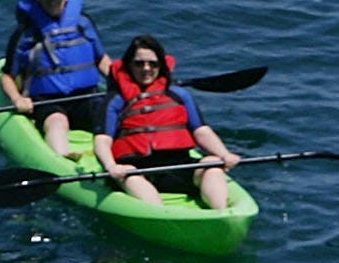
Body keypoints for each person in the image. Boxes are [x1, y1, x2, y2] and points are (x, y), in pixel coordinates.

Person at [96, 36, 242, 211]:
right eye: (139, 63)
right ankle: (161, 214)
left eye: (153, 64)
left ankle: (222, 213)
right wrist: (111, 166)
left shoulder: (179, 95)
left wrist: (225, 155)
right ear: (129, 65)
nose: (146, 68)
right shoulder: (116, 100)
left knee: (213, 163)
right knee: (130, 175)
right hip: (137, 169)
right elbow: (103, 139)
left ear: (161, 66)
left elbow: (201, 131)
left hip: (179, 165)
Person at [0, 0, 107, 154]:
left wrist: (123, 81)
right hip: (47, 101)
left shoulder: (83, 23)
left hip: (87, 96)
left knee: (108, 117)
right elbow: (7, 76)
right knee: (57, 122)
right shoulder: (25, 33)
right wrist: (17, 98)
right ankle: (63, 159)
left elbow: (102, 60)